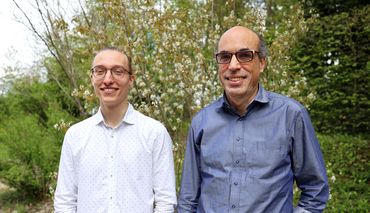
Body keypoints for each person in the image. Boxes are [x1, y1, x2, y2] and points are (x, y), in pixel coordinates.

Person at [177, 26, 329, 213]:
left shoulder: (291, 115)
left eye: (244, 55)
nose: (233, 66)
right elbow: (188, 199)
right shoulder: (201, 122)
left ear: (262, 63)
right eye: (225, 57)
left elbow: (316, 189)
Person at [54, 47, 177, 212]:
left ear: (131, 80)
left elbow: (165, 201)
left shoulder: (154, 133)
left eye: (118, 71)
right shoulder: (75, 135)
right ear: (92, 78)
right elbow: (65, 201)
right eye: (100, 71)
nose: (108, 79)